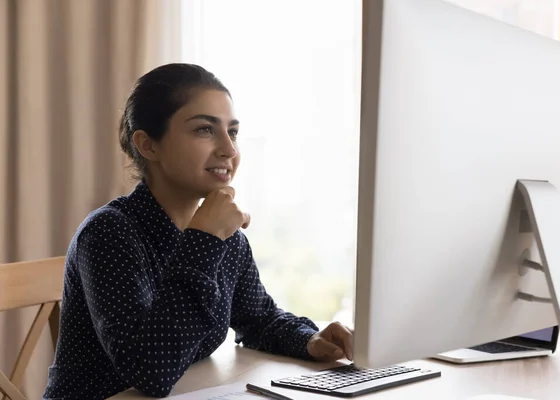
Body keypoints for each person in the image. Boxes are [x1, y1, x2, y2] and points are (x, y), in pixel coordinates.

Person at [43, 63, 353, 400]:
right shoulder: (108, 234)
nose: (229, 149)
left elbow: (258, 318)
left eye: (232, 132)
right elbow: (151, 372)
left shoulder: (223, 234)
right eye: (205, 130)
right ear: (148, 145)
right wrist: (203, 240)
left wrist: (311, 340)